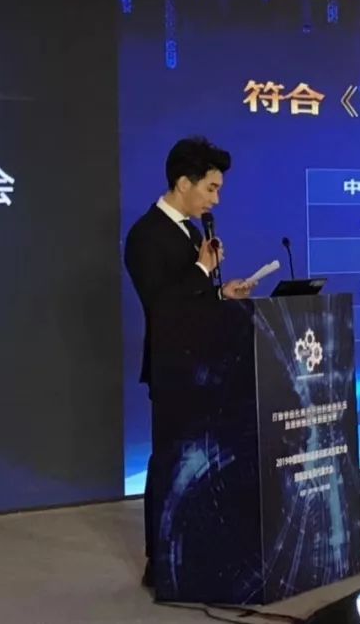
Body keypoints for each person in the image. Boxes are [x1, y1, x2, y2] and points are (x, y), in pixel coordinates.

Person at [123, 137, 254, 588]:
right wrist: (201, 270)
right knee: (171, 463)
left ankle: (201, 547)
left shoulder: (193, 232)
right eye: (211, 188)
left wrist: (221, 292)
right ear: (183, 183)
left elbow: (193, 303)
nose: (216, 199)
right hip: (172, 369)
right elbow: (162, 308)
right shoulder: (145, 234)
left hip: (208, 367)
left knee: (205, 460)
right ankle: (159, 560)